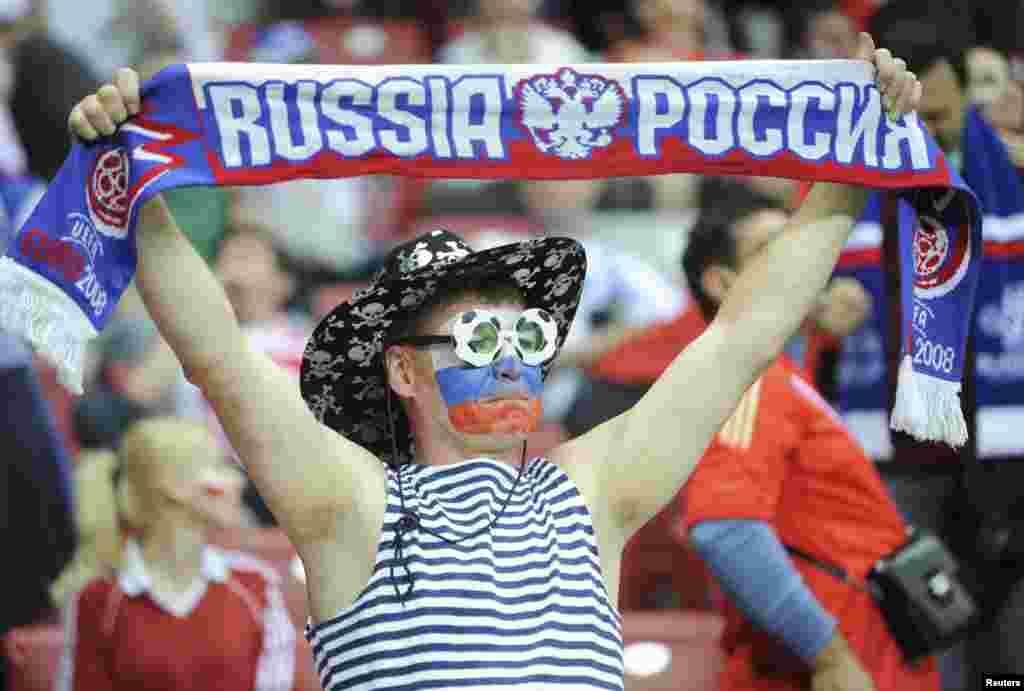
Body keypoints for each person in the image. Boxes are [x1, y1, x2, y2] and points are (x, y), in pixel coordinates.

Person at [65, 32, 920, 690]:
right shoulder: (349, 501)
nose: (512, 360)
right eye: (479, 339)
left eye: (528, 339)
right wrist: (129, 177)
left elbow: (746, 331)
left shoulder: (589, 491)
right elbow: (217, 352)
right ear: (404, 371)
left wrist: (856, 160)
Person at [676, 198, 938, 691]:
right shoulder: (748, 379)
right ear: (723, 282)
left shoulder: (782, 369)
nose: (805, 259)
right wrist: (830, 658)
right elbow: (725, 529)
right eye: (776, 247)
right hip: (837, 671)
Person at [56, 417, 294, 691]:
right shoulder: (98, 600)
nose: (237, 481)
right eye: (218, 467)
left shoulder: (258, 586)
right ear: (173, 486)